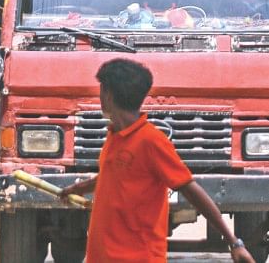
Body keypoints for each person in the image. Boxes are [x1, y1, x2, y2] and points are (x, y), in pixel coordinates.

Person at [59, 59, 253, 263]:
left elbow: (191, 190)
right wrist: (78, 188)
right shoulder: (115, 135)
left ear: (107, 94)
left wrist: (234, 243)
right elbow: (116, 176)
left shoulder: (151, 141)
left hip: (138, 257)